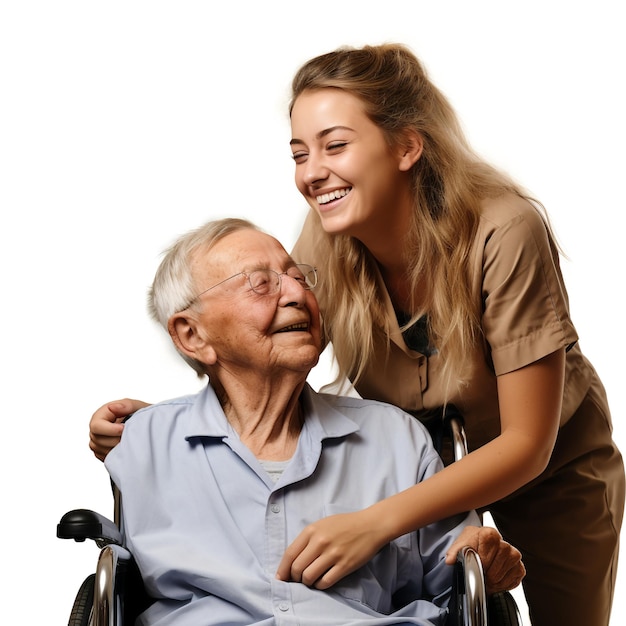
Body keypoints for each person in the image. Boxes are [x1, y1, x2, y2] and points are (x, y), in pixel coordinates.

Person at [90, 44, 624, 625]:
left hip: (543, 462)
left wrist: (377, 520)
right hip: (409, 460)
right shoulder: (328, 235)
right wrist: (172, 431)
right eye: (299, 153)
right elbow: (263, 350)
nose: (312, 172)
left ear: (406, 146)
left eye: (335, 145)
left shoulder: (505, 229)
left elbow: (527, 444)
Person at [104, 217, 523, 626]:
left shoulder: (395, 439)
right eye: (260, 283)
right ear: (193, 335)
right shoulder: (147, 443)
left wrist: (484, 557)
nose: (296, 295)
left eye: (299, 278)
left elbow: (457, 580)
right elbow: (124, 576)